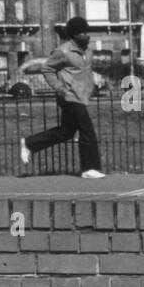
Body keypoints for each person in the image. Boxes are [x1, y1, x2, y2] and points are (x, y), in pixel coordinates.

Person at [20, 16, 104, 178]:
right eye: (81, 32)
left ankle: (30, 143)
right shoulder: (63, 51)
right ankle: (89, 168)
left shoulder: (87, 51)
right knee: (87, 131)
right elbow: (47, 69)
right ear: (73, 35)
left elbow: (84, 72)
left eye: (86, 31)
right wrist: (59, 87)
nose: (85, 35)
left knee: (65, 133)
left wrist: (91, 86)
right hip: (68, 96)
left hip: (81, 96)